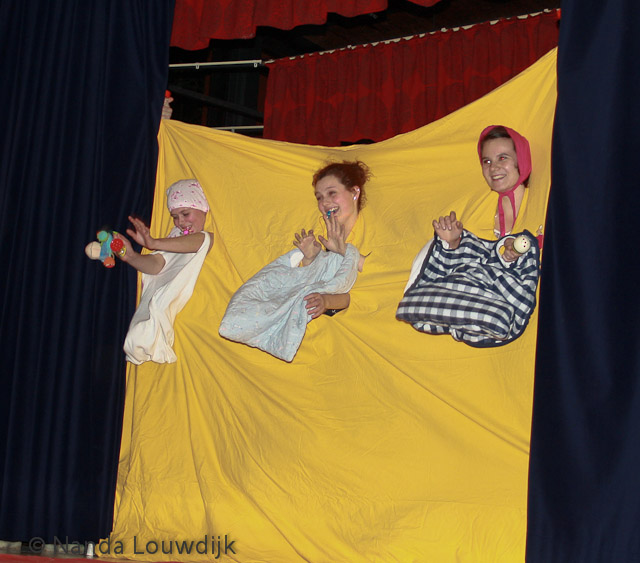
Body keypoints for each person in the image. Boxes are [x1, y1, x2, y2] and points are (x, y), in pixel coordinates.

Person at [398, 125, 541, 346]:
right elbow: (471, 263)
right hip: (482, 309)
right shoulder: (479, 212)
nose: (493, 168)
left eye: (503, 158)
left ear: (520, 159)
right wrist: (454, 243)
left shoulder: (541, 205)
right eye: (487, 161)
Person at [116, 179, 214, 364]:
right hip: (163, 309)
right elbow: (157, 265)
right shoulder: (174, 237)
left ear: (202, 208)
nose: (180, 222)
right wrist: (131, 257)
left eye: (185, 213)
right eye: (175, 217)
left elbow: (203, 240)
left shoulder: (205, 236)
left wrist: (154, 243)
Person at [293, 160, 371, 318]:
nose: (325, 202)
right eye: (319, 198)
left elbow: (380, 279)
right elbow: (310, 289)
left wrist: (344, 251)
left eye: (332, 193)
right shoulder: (319, 232)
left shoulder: (372, 232)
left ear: (354, 192)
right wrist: (309, 260)